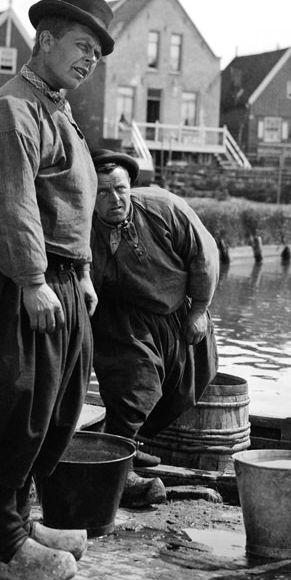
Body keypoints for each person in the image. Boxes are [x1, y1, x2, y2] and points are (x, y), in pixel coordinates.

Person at [0, 0, 114, 580]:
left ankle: (22, 520)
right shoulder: (11, 110)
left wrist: (87, 274)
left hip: (63, 282)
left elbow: (76, 202)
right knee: (14, 412)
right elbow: (8, 203)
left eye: (96, 51)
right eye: (80, 45)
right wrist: (33, 279)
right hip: (20, 284)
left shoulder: (58, 109)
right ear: (44, 40)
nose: (89, 59)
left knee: (54, 412)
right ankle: (6, 544)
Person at [89, 149, 219, 507]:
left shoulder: (165, 208)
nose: (114, 199)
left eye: (120, 189)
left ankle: (127, 445)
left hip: (175, 311)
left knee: (190, 381)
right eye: (101, 192)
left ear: (131, 185)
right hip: (118, 317)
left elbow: (204, 257)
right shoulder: (79, 222)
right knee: (136, 386)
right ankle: (118, 470)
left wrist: (200, 311)